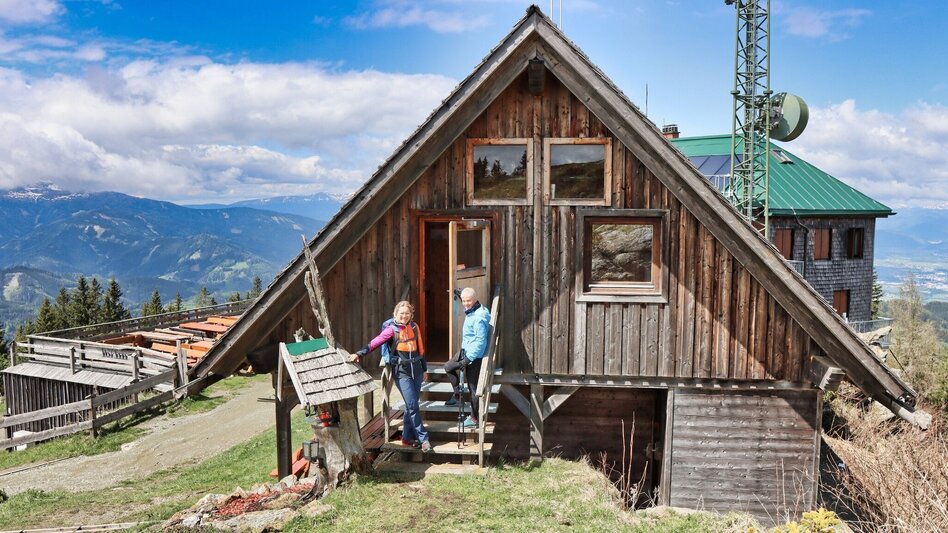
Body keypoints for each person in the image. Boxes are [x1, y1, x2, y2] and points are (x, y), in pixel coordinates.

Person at [351, 301, 431, 452]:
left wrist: (425, 369)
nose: (404, 316)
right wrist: (359, 353)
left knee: (410, 405)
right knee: (413, 405)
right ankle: (423, 438)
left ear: (411, 314)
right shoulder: (391, 330)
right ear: (395, 314)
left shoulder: (414, 326)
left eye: (407, 313)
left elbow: (420, 350)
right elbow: (375, 343)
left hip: (417, 370)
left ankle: (407, 437)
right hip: (402, 372)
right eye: (401, 313)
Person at [444, 287, 491, 429]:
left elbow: (480, 341)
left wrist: (467, 360)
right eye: (463, 301)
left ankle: (474, 418)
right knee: (448, 367)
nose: (465, 303)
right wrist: (461, 295)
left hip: (474, 356)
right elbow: (467, 299)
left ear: (475, 299)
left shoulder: (479, 317)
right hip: (466, 350)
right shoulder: (474, 309)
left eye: (468, 300)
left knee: (473, 388)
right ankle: (457, 394)